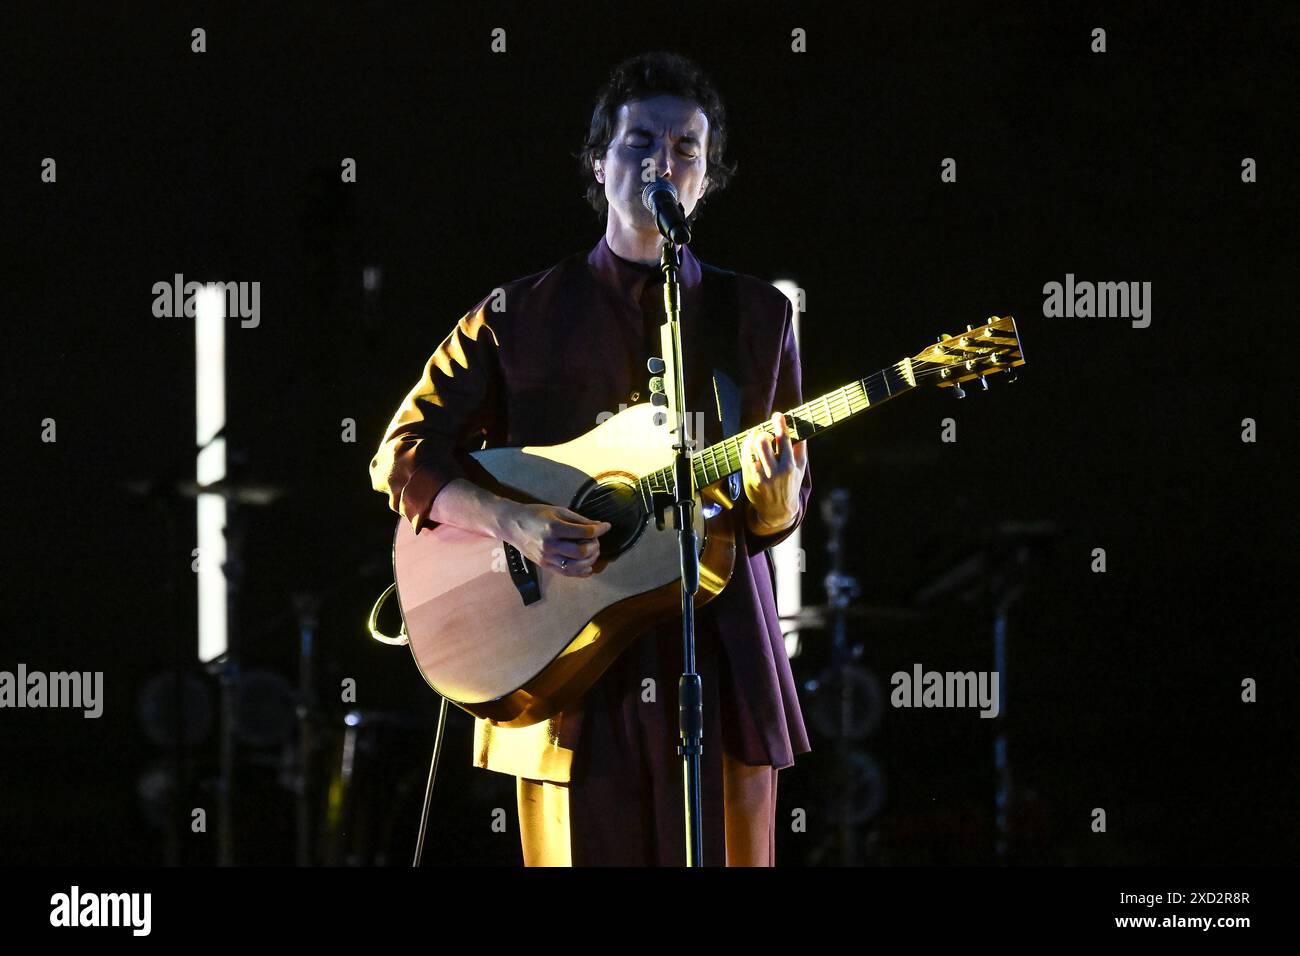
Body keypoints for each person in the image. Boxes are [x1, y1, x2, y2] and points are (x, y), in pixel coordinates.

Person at [369, 51, 811, 866]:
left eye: (686, 148)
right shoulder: (519, 312)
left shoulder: (759, 315)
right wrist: (514, 520)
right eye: (640, 141)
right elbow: (403, 454)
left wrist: (777, 502)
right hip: (562, 661)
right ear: (598, 162)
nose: (662, 163)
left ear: (707, 176)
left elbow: (770, 513)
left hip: (718, 654)